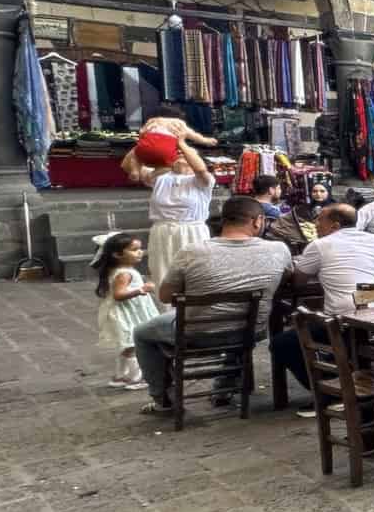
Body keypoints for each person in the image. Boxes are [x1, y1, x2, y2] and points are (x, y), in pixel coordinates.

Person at [130, 196, 289, 415]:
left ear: (224, 220)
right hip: (250, 331)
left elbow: (165, 296)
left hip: (196, 333)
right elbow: (291, 277)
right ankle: (223, 388)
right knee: (238, 317)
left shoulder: (192, 252)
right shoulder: (279, 250)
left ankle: (163, 400)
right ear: (258, 221)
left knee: (141, 333)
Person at [268, 202, 374, 396]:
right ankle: (349, 375)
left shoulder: (320, 245)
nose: (316, 226)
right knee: (324, 317)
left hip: (351, 323)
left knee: (282, 343)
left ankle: (330, 392)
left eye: (320, 221)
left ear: (335, 226)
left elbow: (299, 282)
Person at [137, 156, 214, 294]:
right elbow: (133, 164)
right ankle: (168, 312)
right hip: (163, 230)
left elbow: (201, 170)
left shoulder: (202, 180)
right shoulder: (160, 177)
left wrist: (182, 142)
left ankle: (195, 310)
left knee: (195, 271)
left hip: (192, 230)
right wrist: (145, 140)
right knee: (162, 271)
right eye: (178, 153)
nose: (181, 156)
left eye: (185, 154)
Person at [94, 233, 159, 390]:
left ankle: (120, 376)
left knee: (126, 347)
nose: (140, 252)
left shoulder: (120, 270)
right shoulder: (124, 273)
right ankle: (137, 377)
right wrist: (142, 289)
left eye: (140, 248)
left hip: (128, 312)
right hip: (128, 314)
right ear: (117, 254)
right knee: (132, 346)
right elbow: (119, 295)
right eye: (134, 249)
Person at [119, 105, 214, 181]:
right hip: (165, 165)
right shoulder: (178, 124)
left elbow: (126, 164)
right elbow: (194, 136)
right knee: (168, 162)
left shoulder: (152, 122)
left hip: (148, 150)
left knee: (137, 157)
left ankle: (136, 170)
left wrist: (143, 139)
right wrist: (205, 140)